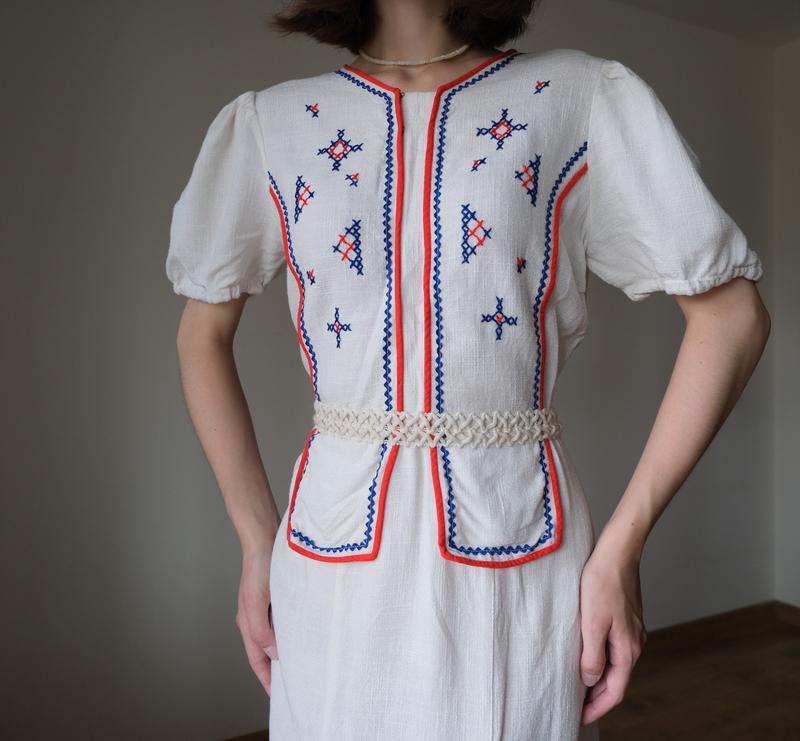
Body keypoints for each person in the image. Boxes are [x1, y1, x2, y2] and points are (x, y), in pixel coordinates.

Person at [165, 0, 770, 738]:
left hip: (517, 554)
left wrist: (623, 546)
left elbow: (731, 318)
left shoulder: (579, 98)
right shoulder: (272, 123)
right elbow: (202, 336)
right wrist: (256, 537)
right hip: (327, 553)